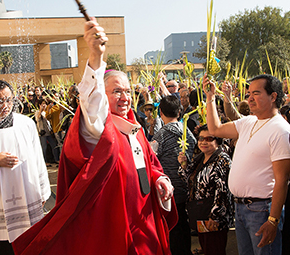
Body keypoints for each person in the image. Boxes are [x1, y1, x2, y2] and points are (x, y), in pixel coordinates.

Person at [13, 18, 177, 255]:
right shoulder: (101, 133)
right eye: (116, 91)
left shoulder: (135, 129)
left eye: (128, 91)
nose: (125, 97)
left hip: (145, 220)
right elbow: (92, 104)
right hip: (115, 223)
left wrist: (161, 180)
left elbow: (151, 166)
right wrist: (95, 57)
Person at [203, 74, 290, 255]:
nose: (250, 98)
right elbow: (215, 130)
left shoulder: (280, 130)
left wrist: (273, 220)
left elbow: (282, 180)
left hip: (261, 210)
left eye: (256, 93)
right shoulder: (248, 121)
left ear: (273, 96)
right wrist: (210, 98)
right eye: (249, 93)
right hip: (240, 208)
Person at [0, 80, 51, 255]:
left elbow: (38, 158)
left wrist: (42, 191)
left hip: (25, 198)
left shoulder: (26, 124)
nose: (6, 105)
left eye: (9, 100)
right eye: (0, 101)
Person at [179, 125, 234, 255]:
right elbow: (187, 179)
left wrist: (215, 217)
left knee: (215, 249)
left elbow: (223, 191)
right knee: (207, 247)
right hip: (200, 213)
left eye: (209, 139)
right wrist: (183, 165)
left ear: (218, 140)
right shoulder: (201, 158)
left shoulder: (222, 160)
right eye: (201, 138)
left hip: (213, 217)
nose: (203, 142)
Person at [152, 94, 197, 255]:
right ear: (179, 112)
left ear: (161, 113)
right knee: (183, 225)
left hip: (169, 189)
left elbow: (152, 159)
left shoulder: (161, 135)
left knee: (173, 228)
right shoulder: (188, 133)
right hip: (186, 187)